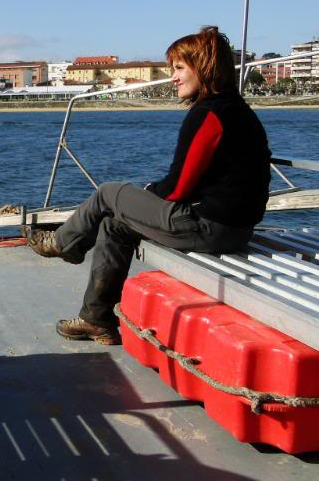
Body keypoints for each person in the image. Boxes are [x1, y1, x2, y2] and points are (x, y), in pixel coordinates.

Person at [23, 26, 271, 345]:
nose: (173, 77)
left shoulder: (210, 115)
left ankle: (62, 242)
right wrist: (150, 196)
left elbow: (177, 191)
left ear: (205, 67)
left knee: (109, 192)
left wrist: (146, 194)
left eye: (180, 68)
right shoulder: (238, 111)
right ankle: (96, 319)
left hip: (211, 227)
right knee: (114, 224)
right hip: (232, 227)